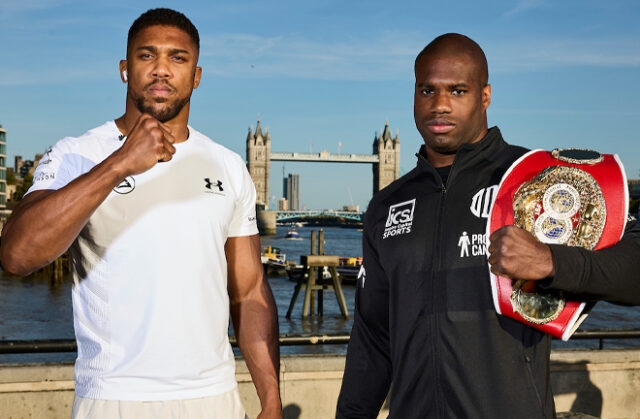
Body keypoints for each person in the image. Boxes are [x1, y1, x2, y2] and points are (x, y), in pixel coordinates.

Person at [336, 33, 640, 418]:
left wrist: (551, 262)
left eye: (458, 90)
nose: (440, 105)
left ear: (485, 96)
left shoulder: (539, 179)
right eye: (427, 90)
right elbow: (372, 340)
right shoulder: (387, 205)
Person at [0, 8, 281, 419]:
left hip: (215, 398)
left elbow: (250, 293)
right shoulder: (79, 153)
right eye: (147, 56)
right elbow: (17, 255)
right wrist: (119, 164)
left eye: (177, 58)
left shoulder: (228, 166)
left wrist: (271, 398)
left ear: (197, 76)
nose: (161, 70)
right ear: (124, 69)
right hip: (114, 399)